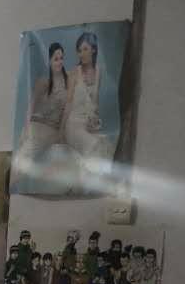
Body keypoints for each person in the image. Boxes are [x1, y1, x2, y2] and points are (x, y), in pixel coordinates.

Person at [62, 31, 114, 193]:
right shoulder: (74, 73)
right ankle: (84, 187)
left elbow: (95, 103)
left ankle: (83, 188)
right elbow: (68, 103)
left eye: (85, 49)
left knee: (106, 143)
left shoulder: (98, 71)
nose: (81, 53)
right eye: (79, 50)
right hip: (73, 124)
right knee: (95, 145)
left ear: (94, 49)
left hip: (87, 124)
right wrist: (61, 129)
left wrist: (94, 120)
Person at [15, 42, 69, 186]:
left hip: (53, 130)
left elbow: (67, 111)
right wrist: (26, 131)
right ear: (49, 61)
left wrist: (61, 133)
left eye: (61, 58)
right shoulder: (43, 82)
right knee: (21, 164)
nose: (60, 62)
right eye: (56, 59)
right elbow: (30, 108)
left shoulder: (69, 81)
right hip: (37, 127)